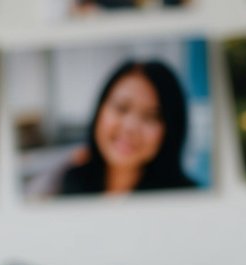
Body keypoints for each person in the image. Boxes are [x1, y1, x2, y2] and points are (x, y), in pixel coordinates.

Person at [60, 59, 197, 195]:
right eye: (121, 108)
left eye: (150, 117)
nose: (130, 127)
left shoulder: (190, 199)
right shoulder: (70, 183)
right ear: (99, 111)